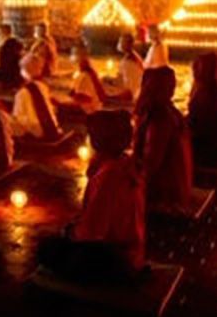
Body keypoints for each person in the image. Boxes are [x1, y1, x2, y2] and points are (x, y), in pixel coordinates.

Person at [36, 109, 145, 282]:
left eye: (93, 134)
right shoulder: (123, 162)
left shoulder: (109, 175)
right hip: (129, 253)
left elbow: (93, 231)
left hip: (118, 258)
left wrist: (68, 233)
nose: (89, 139)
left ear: (101, 140)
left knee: (48, 249)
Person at [134, 66, 193, 215]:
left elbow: (150, 166)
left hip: (167, 196)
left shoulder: (159, 120)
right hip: (178, 187)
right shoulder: (170, 111)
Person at [187, 51, 217, 169]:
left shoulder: (206, 93)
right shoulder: (215, 87)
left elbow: (198, 127)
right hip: (216, 148)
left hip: (208, 152)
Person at [12, 66, 64, 143]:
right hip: (52, 127)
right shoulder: (43, 86)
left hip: (36, 131)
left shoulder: (20, 94)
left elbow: (18, 117)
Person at [59, 42, 107, 116]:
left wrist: (60, 103)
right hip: (88, 111)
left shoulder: (85, 76)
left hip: (87, 114)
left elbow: (84, 100)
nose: (71, 56)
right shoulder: (86, 73)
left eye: (74, 54)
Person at [107, 32, 145, 103]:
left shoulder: (128, 61)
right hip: (134, 91)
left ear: (129, 44)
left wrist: (110, 81)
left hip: (130, 93)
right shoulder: (133, 57)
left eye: (122, 42)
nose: (120, 44)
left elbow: (126, 83)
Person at [0, 23, 25, 90]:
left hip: (10, 73)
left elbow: (6, 64)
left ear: (5, 33)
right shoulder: (12, 43)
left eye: (0, 34)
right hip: (12, 72)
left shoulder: (8, 46)